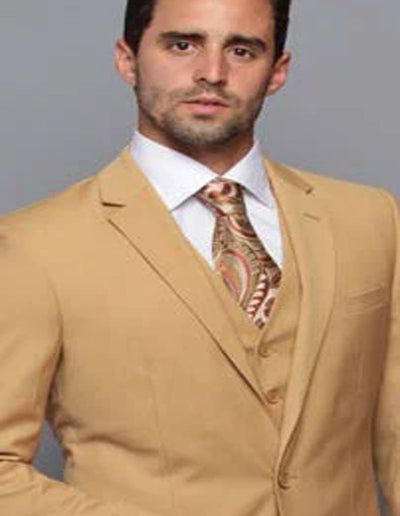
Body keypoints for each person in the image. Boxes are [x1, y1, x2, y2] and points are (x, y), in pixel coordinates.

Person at [0, 0, 398, 514]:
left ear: (277, 71)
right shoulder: (34, 246)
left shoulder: (370, 219)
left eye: (242, 50)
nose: (212, 72)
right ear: (127, 60)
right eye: (182, 45)